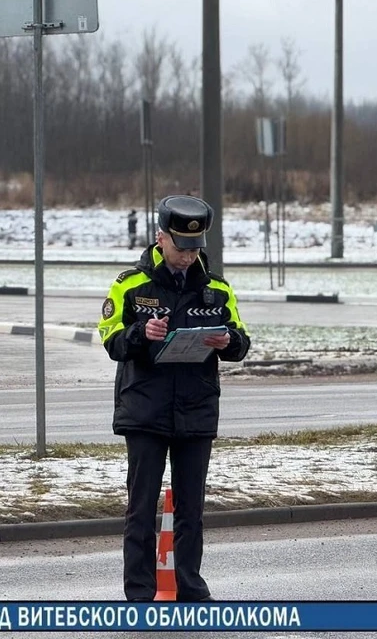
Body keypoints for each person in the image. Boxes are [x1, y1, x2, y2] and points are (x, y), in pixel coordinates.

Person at [97, 195, 251, 602]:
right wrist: (139, 335)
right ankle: (140, 592)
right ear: (160, 238)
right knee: (142, 507)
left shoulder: (216, 288)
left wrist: (227, 340)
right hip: (145, 409)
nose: (187, 256)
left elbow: (241, 341)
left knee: (191, 509)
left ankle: (191, 587)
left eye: (194, 249)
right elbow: (110, 339)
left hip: (196, 409)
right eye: (181, 247)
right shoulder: (131, 284)